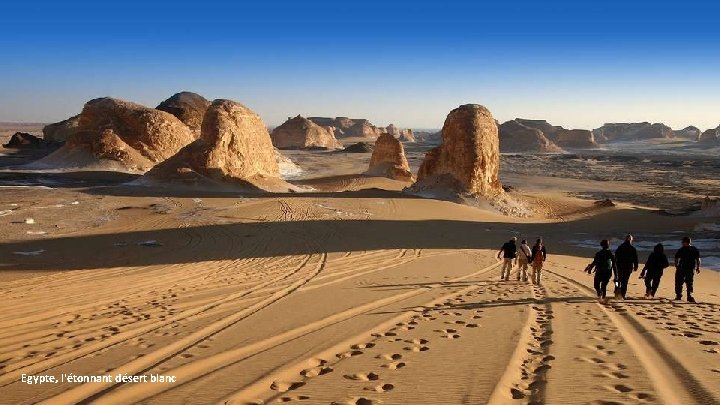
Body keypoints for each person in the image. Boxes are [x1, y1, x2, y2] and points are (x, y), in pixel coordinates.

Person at [585, 239, 617, 304]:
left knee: (599, 285)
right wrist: (590, 268)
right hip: (604, 272)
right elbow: (614, 266)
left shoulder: (609, 254)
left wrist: (590, 268)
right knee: (601, 285)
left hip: (604, 272)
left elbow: (614, 265)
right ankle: (601, 296)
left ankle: (602, 297)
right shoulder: (602, 254)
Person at [674, 236, 701, 303]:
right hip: (690, 268)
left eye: (682, 242)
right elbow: (698, 259)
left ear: (685, 242)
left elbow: (676, 258)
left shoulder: (682, 249)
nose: (681, 243)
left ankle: (678, 295)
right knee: (689, 283)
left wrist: (676, 265)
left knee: (679, 282)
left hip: (682, 267)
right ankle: (690, 296)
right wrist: (698, 267)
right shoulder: (694, 249)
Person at [614, 234, 639, 299]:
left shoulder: (620, 247)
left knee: (618, 280)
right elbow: (635, 259)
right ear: (631, 240)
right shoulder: (632, 249)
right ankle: (622, 294)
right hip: (628, 267)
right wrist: (636, 266)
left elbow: (616, 256)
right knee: (625, 282)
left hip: (620, 266)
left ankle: (617, 291)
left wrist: (615, 264)